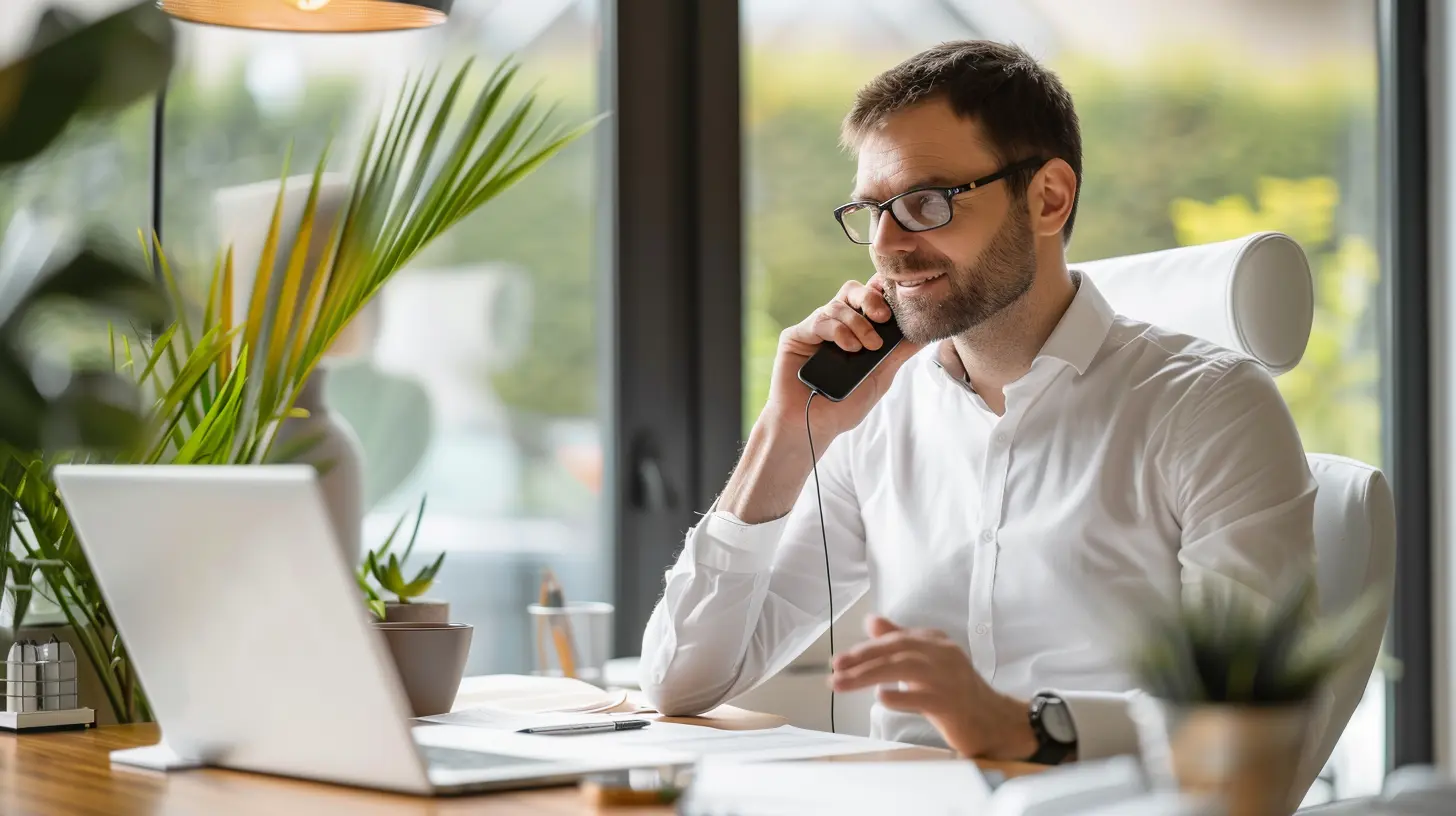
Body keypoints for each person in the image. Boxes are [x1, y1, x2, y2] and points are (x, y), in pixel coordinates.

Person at [640, 40, 1315, 764]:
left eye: (925, 203)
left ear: (1049, 198)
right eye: (872, 211)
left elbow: (1250, 722)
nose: (887, 247)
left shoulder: (1210, 409)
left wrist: (1025, 726)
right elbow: (682, 682)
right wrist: (785, 431)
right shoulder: (879, 416)